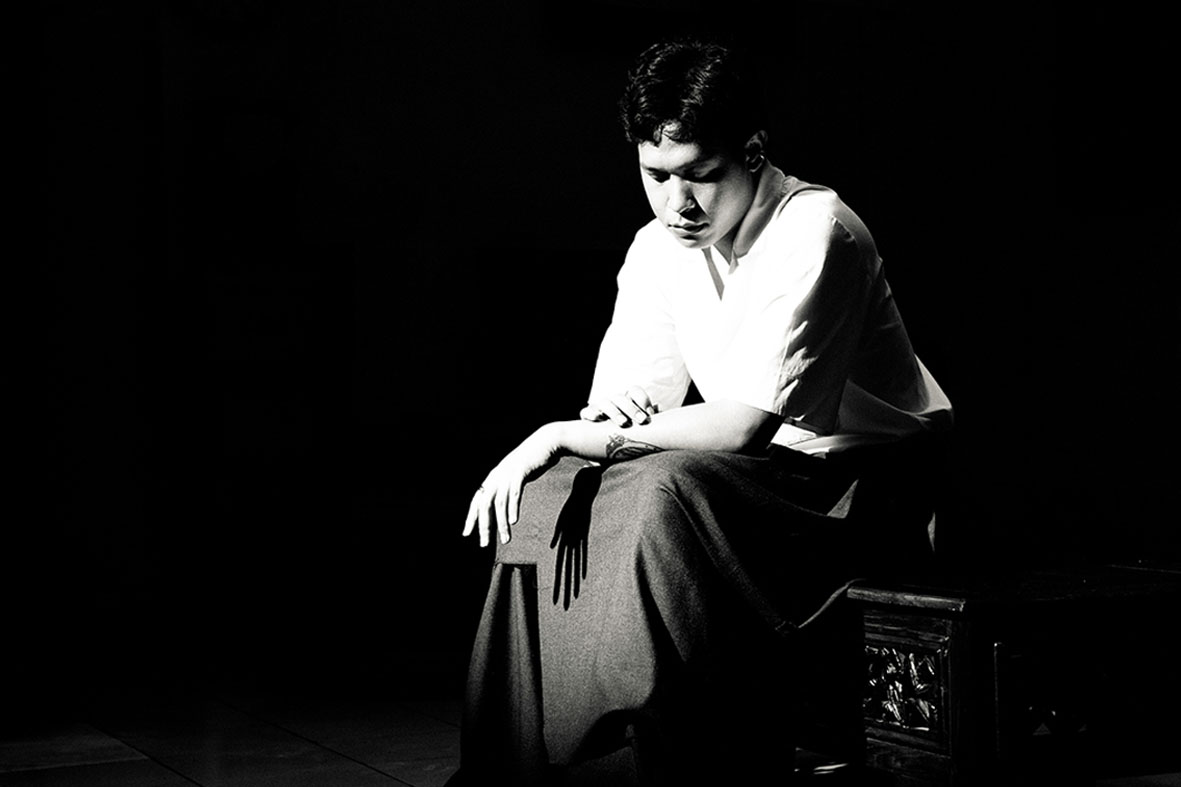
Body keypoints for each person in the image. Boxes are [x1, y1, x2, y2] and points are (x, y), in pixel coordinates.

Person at [450, 36, 953, 786]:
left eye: (701, 176)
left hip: (860, 493)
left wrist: (563, 432)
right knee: (554, 491)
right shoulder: (657, 247)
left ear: (752, 152)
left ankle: (660, 758)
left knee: (663, 490)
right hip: (756, 475)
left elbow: (743, 425)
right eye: (656, 175)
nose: (677, 204)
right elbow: (623, 414)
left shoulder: (816, 230)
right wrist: (589, 435)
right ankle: (525, 767)